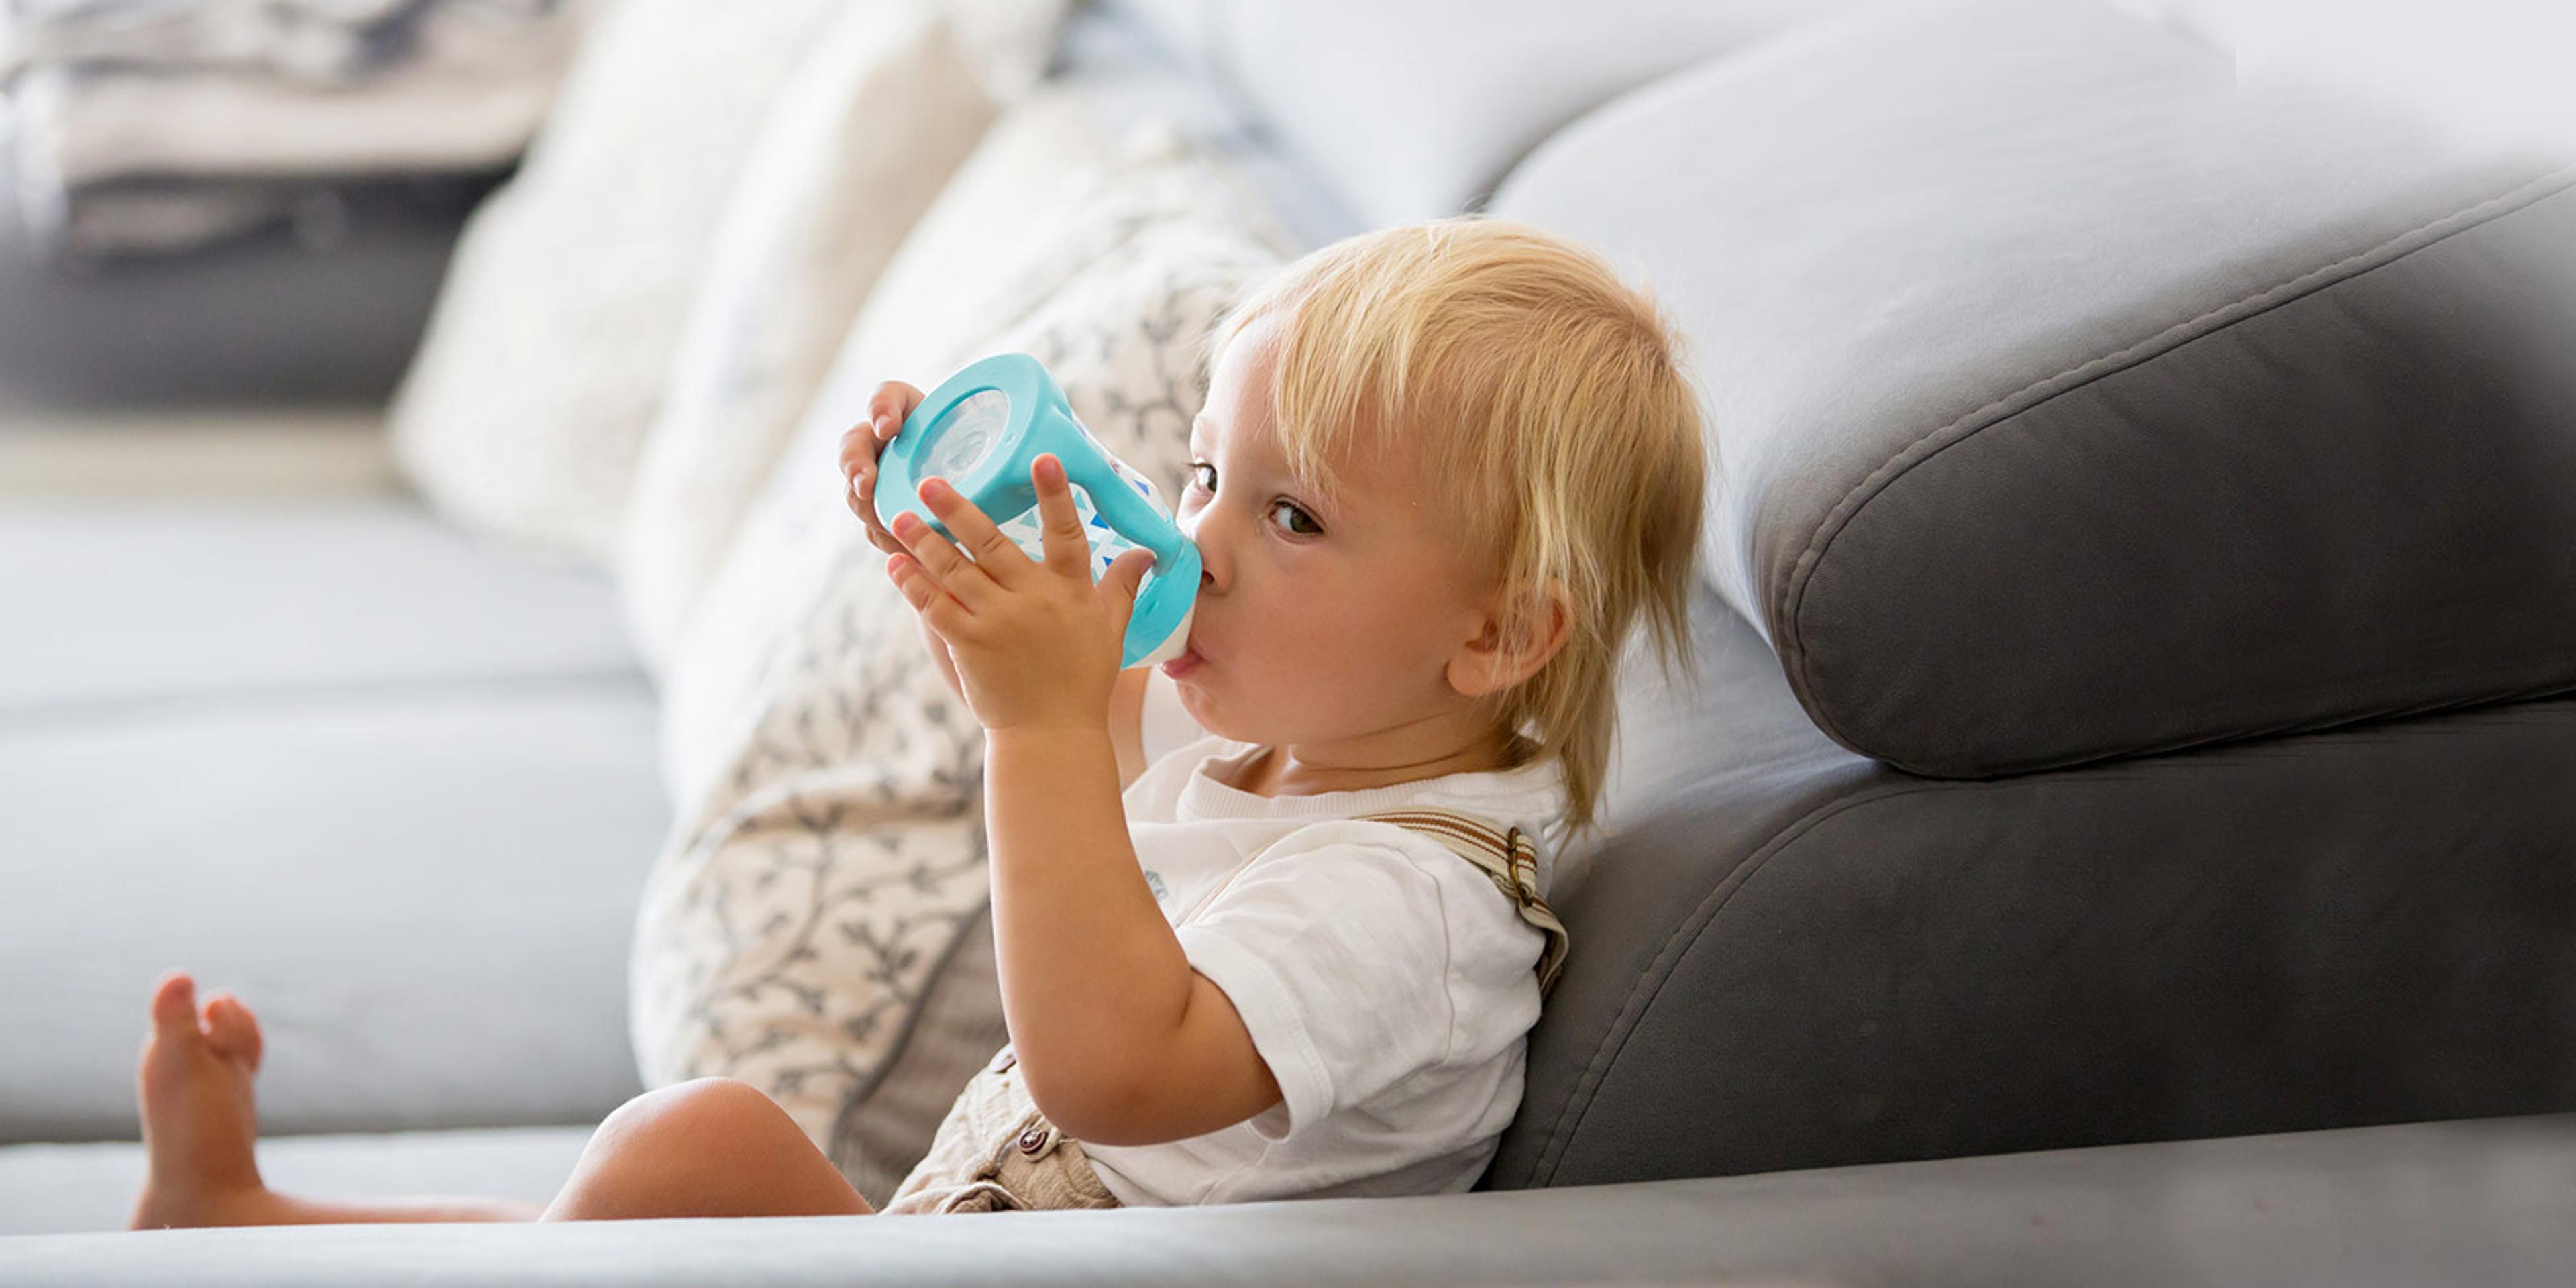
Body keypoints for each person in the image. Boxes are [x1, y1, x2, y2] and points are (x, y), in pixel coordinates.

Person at [128, 215, 1705, 1228]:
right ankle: (255, 1230)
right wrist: (957, 555)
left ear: (1496, 634)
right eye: (1208, 474)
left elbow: (1114, 1074)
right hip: (971, 1237)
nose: (1200, 540)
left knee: (698, 1157)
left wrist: (1032, 739)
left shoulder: (1412, 914)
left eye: (1293, 520)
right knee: (649, 1212)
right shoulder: (1311, 736)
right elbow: (1089, 701)